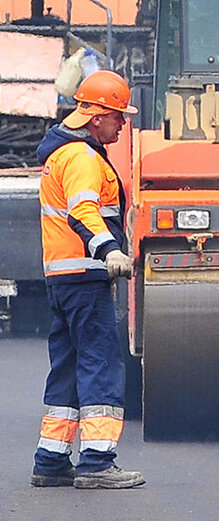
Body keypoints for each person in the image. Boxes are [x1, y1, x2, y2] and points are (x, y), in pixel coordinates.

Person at [31, 70, 145, 489]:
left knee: (66, 368)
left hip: (62, 280)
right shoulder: (81, 158)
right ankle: (97, 462)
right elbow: (83, 211)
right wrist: (109, 251)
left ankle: (51, 460)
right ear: (97, 117)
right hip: (84, 276)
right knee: (99, 364)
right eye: (118, 116)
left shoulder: (60, 154)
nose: (122, 124)